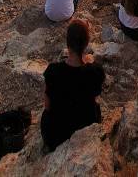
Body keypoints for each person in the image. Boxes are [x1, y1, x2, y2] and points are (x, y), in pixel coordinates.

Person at [41, 19, 105, 151]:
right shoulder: (95, 72)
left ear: (67, 43)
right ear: (86, 44)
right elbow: (95, 96)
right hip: (84, 130)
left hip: (55, 136)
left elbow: (47, 106)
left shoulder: (53, 71)